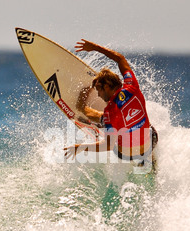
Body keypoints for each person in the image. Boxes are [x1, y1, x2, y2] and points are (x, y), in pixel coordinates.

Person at [64, 39, 158, 168]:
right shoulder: (132, 86)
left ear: (107, 86)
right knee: (150, 129)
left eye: (98, 89)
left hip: (125, 154)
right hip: (151, 143)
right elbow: (120, 59)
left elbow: (107, 145)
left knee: (102, 119)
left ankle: (96, 124)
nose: (97, 94)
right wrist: (95, 47)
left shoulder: (109, 112)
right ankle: (149, 158)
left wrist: (80, 147)